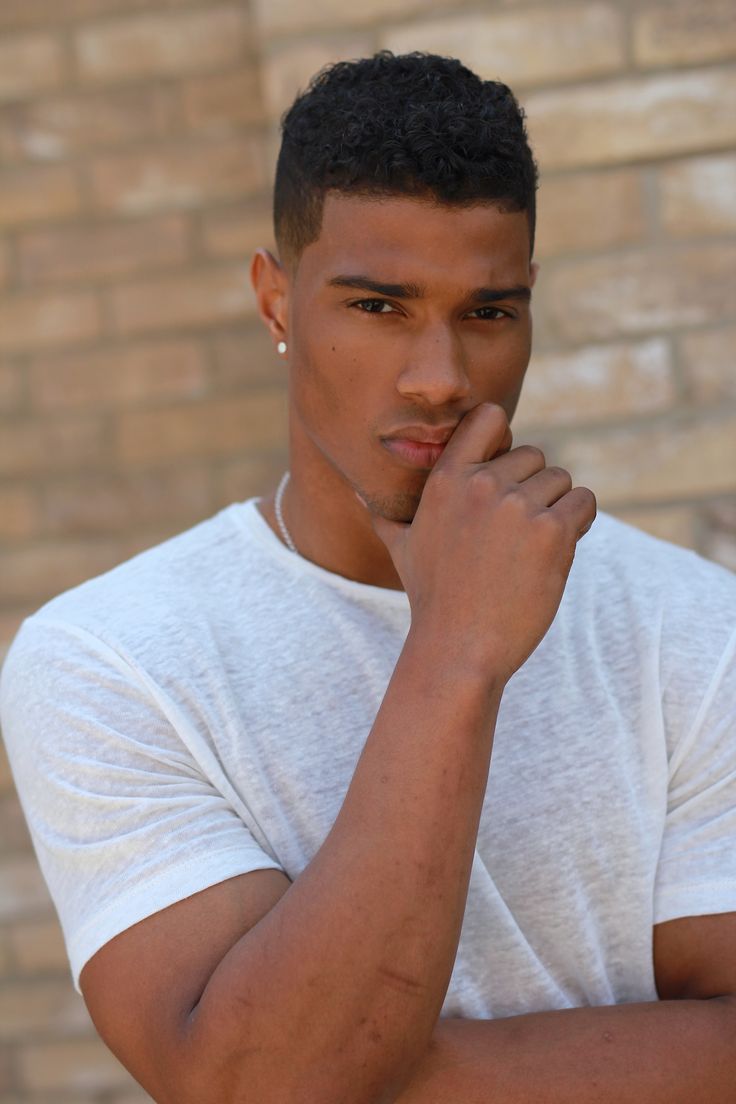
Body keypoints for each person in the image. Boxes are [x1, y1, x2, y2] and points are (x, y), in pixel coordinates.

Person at [1, 50, 735, 1104]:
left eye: (486, 313)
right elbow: (258, 1087)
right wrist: (457, 653)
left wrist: (362, 1071)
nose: (438, 377)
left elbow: (280, 1081)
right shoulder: (111, 659)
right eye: (378, 307)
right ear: (275, 302)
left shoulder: (695, 627)